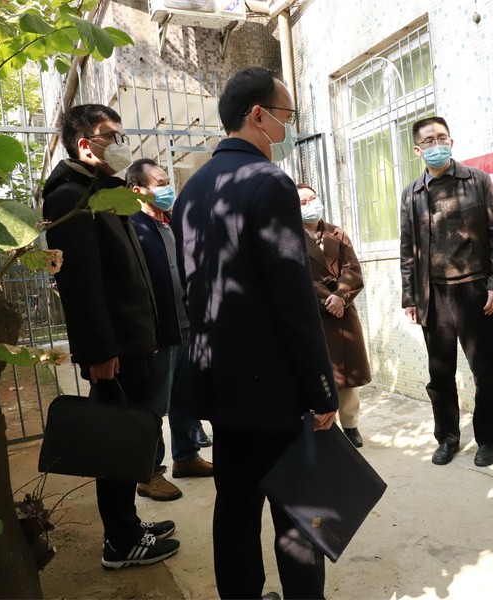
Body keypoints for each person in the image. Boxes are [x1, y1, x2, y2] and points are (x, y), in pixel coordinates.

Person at [172, 67, 338, 600]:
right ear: (258, 115)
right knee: (299, 513)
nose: (289, 125)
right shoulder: (269, 182)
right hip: (275, 388)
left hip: (220, 384)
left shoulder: (192, 190)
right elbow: (293, 298)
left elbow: (194, 289)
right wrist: (321, 388)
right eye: (286, 115)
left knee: (235, 507)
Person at [41, 104, 180, 568]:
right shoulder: (70, 196)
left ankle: (128, 523)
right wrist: (99, 351)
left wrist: (147, 332)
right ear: (86, 145)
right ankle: (120, 542)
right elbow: (81, 284)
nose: (122, 145)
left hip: (131, 341)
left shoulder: (105, 192)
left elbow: (126, 275)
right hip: (112, 349)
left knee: (129, 436)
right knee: (115, 442)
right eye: (112, 137)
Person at [399, 116, 493, 468]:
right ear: (418, 150)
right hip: (432, 296)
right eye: (429, 141)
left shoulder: (476, 180)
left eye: (442, 137)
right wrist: (410, 298)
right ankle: (447, 438)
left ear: (451, 141)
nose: (437, 145)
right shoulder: (411, 193)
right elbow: (407, 249)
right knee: (440, 374)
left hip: (473, 290)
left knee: (484, 371)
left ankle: (488, 439)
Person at [126, 159, 215, 502]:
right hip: (159, 333)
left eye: (167, 181)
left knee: (185, 397)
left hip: (188, 324)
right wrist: (143, 332)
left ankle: (187, 456)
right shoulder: (132, 227)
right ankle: (148, 473)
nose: (168, 188)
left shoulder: (174, 222)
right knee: (153, 406)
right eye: (160, 182)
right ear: (138, 190)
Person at [297, 183, 372, 448]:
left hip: (343, 310)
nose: (310, 205)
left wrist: (340, 296)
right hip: (314, 311)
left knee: (348, 373)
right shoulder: (291, 237)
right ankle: (328, 426)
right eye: (303, 202)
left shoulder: (337, 233)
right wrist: (325, 298)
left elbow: (352, 268)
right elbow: (296, 276)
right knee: (322, 371)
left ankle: (351, 425)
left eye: (313, 198)